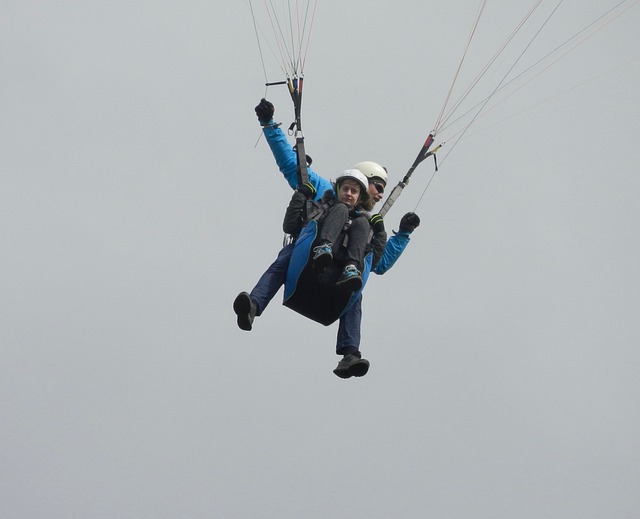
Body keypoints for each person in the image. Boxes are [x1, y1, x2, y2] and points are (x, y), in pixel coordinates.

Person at [233, 99, 421, 378]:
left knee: (356, 288)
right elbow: (290, 165)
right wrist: (270, 124)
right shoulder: (327, 191)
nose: (381, 195)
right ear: (362, 179)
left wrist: (403, 234)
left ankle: (350, 354)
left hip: (339, 279)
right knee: (286, 257)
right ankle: (254, 306)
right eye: (378, 187)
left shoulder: (369, 223)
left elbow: (378, 264)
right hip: (310, 260)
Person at [283, 169, 385, 291]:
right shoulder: (322, 207)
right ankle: (324, 248)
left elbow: (372, 263)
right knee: (283, 261)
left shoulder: (363, 224)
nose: (348, 194)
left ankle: (351, 267)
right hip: (309, 257)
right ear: (338, 190)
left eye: (353, 191)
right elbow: (290, 226)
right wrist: (300, 195)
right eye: (345, 189)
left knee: (355, 292)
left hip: (338, 277)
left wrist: (382, 234)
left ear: (360, 196)